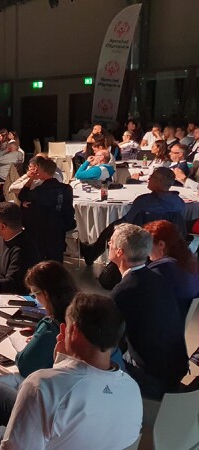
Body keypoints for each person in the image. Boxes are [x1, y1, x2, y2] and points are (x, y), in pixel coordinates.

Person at [0, 294, 142, 449]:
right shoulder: (132, 388)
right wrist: (61, 365)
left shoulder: (41, 385)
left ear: (73, 330)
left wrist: (59, 367)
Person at [0, 261, 79, 450]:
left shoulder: (52, 327)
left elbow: (25, 365)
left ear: (46, 294)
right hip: (65, 420)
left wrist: (39, 339)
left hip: (48, 417)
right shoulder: (79, 315)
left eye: (35, 294)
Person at [108, 224, 188, 398]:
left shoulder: (123, 292)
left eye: (111, 243)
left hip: (151, 377)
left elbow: (107, 340)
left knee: (102, 352)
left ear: (119, 252)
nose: (109, 245)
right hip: (177, 366)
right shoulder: (159, 278)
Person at [80, 167, 184, 265]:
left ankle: (92, 253)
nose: (148, 178)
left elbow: (129, 221)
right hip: (171, 238)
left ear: (158, 181)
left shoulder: (144, 201)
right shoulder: (179, 202)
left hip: (142, 237)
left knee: (113, 228)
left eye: (151, 177)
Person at [18, 158, 75, 262]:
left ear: (43, 171)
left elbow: (22, 195)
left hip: (42, 228)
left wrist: (32, 178)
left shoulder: (40, 191)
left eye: (38, 170)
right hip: (62, 225)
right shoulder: (67, 188)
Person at [143, 220, 199, 320]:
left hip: (162, 324)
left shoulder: (164, 268)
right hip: (177, 324)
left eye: (147, 244)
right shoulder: (189, 263)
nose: (146, 250)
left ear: (161, 245)